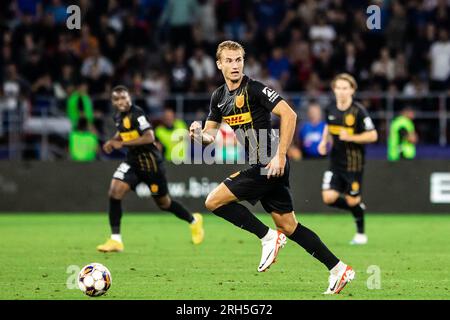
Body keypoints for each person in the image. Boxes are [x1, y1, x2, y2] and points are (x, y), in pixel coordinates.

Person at [190, 41, 354, 295]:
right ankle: (338, 269)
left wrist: (280, 155)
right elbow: (210, 137)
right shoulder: (219, 97)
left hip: (268, 163)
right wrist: (199, 134)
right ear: (219, 64)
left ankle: (268, 237)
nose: (235, 65)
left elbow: (289, 114)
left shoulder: (254, 89)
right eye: (230, 61)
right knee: (289, 226)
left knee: (213, 201)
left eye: (239, 60)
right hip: (262, 164)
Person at [97, 85, 204, 252]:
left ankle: (194, 221)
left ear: (129, 98)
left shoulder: (137, 114)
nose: (121, 101)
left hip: (151, 164)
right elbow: (123, 132)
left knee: (164, 203)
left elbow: (149, 137)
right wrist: (113, 140)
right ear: (113, 102)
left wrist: (122, 143)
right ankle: (115, 240)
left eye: (124, 97)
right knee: (114, 191)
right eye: (117, 99)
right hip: (133, 162)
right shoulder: (118, 117)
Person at [318, 73, 378, 245]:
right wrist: (324, 142)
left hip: (354, 165)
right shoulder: (330, 108)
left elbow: (373, 135)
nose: (341, 92)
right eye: (338, 88)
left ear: (352, 90)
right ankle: (357, 207)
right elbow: (328, 128)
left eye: (345, 88)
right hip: (335, 163)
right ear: (334, 90)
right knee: (328, 197)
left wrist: (351, 137)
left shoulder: (359, 111)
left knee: (352, 200)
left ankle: (360, 234)